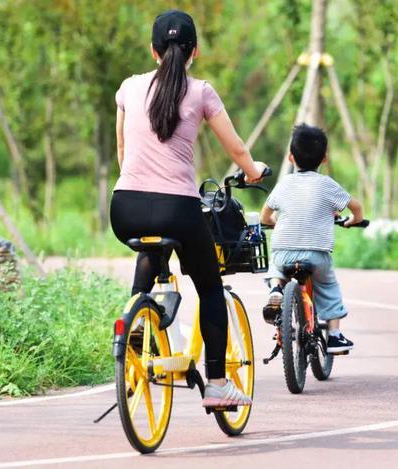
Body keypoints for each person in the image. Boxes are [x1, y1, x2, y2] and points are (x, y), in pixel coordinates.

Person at [110, 10, 266, 407]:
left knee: (151, 249)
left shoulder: (128, 88)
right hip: (178, 208)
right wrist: (253, 172)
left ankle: (135, 335)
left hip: (124, 206)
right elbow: (237, 149)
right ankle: (216, 384)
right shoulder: (201, 92)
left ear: (153, 50)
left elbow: (122, 153)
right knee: (210, 286)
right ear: (194, 51)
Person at [260, 124, 363, 353]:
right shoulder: (327, 185)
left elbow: (265, 214)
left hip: (284, 250)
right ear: (324, 158)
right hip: (316, 253)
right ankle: (335, 336)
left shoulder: (283, 184)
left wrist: (273, 223)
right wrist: (355, 219)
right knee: (327, 286)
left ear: (290, 156)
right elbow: (356, 207)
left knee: (277, 267)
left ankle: (276, 289)